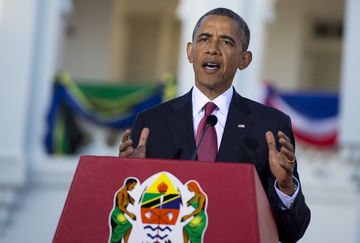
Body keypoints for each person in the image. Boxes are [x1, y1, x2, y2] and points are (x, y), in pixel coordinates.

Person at [118, 7, 310, 242]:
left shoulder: (270, 125)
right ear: (190, 51)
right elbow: (126, 220)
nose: (213, 49)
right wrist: (129, 178)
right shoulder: (151, 123)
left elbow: (292, 233)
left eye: (226, 42)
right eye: (204, 39)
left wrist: (285, 186)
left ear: (244, 59)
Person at [109, 178, 137, 243]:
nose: (133, 188)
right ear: (129, 184)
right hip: (116, 213)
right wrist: (130, 214)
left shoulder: (128, 195)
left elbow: (135, 202)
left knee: (129, 226)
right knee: (126, 224)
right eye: (133, 186)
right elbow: (120, 206)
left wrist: (142, 193)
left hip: (121, 214)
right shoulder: (120, 193)